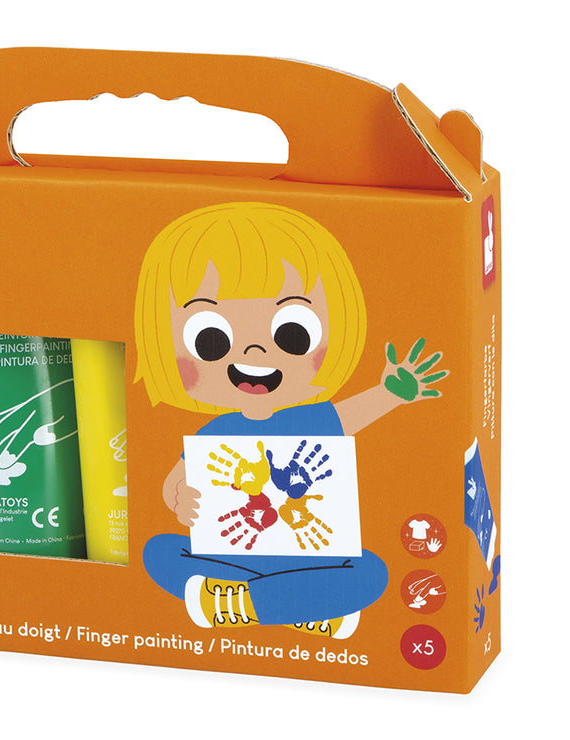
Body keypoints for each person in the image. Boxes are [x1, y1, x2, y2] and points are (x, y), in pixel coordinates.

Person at [134, 202, 447, 637]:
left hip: (310, 556)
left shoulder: (315, 420)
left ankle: (237, 603)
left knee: (371, 571)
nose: (253, 353)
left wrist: (390, 394)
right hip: (232, 555)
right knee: (159, 552)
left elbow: (354, 414)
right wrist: (180, 500)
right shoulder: (216, 432)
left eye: (292, 333)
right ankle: (304, 605)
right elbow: (176, 483)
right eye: (210, 338)